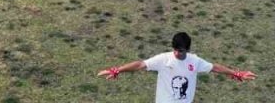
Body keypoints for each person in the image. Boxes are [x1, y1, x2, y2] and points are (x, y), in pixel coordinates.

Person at [96, 31, 256, 101]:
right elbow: (140, 65)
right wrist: (117, 70)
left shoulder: (194, 61)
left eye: (182, 51)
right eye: (176, 50)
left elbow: (214, 67)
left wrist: (236, 73)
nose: (178, 53)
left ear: (188, 49)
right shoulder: (163, 60)